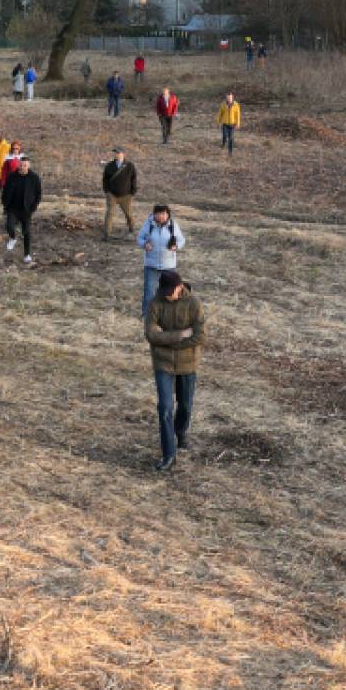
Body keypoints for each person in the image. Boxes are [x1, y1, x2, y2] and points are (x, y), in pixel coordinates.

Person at [144, 269, 205, 471]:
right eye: (165, 290)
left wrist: (167, 340)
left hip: (188, 364)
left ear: (180, 287)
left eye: (172, 290)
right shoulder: (155, 303)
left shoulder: (194, 303)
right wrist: (179, 336)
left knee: (185, 406)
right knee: (165, 408)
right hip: (163, 364)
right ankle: (169, 454)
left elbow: (199, 336)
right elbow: (151, 335)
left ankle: (181, 431)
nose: (168, 294)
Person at [138, 204, 185, 317]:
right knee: (149, 292)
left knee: (169, 292)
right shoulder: (148, 224)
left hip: (168, 265)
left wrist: (176, 246)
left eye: (163, 213)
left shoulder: (173, 225)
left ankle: (167, 315)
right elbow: (139, 238)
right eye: (158, 213)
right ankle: (147, 315)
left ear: (168, 214)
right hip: (151, 264)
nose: (161, 216)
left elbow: (181, 240)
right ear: (154, 214)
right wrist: (144, 244)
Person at [2, 152, 42, 265]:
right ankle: (13, 238)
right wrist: (5, 203)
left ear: (28, 166)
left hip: (26, 210)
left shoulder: (34, 178)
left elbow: (38, 194)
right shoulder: (12, 176)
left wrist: (33, 207)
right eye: (21, 165)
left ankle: (27, 254)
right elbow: (5, 190)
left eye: (25, 165)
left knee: (27, 232)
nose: (22, 167)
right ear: (18, 165)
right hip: (12, 208)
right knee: (9, 226)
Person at [100, 147, 137, 239]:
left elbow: (133, 179)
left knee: (128, 214)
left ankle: (131, 229)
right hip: (112, 195)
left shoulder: (130, 166)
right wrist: (107, 191)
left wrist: (132, 191)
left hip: (126, 195)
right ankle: (107, 234)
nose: (116, 154)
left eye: (118, 153)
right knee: (110, 213)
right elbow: (105, 179)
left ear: (123, 154)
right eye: (115, 153)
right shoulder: (109, 165)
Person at [217, 92, 241, 156]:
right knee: (225, 136)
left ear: (232, 98)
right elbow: (220, 113)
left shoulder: (236, 105)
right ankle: (223, 143)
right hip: (225, 124)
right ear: (226, 98)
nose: (229, 99)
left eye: (230, 97)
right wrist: (218, 121)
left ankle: (230, 152)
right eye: (228, 98)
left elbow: (238, 115)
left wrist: (238, 123)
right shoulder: (223, 104)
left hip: (232, 124)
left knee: (231, 138)